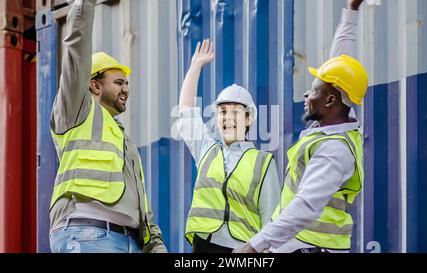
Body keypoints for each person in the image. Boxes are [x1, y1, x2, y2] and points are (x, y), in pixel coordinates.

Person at [233, 0, 367, 253]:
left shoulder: (334, 151)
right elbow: (341, 60)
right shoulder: (339, 120)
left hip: (312, 248)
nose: (306, 94)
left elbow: (306, 205)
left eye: (314, 90)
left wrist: (254, 246)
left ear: (329, 100)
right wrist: (351, 11)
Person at [48, 0, 167, 253]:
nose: (126, 88)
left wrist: (156, 245)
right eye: (118, 82)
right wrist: (86, 4)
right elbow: (76, 50)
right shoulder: (76, 113)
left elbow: (142, 206)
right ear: (94, 85)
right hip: (87, 235)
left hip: (129, 242)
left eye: (127, 83)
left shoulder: (125, 142)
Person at [177, 40, 281, 253]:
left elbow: (272, 219)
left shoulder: (263, 162)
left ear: (249, 118)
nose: (228, 118)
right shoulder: (207, 149)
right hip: (203, 246)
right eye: (223, 112)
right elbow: (186, 111)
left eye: (235, 112)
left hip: (241, 250)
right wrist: (195, 66)